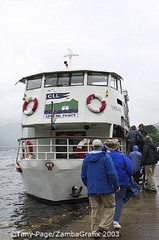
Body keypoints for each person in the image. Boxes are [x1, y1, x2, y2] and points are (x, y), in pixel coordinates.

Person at [81, 139, 120, 235]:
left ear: (92, 146)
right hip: (106, 188)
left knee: (95, 209)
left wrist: (89, 185)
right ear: (101, 146)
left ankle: (94, 231)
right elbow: (112, 174)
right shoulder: (106, 157)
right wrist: (116, 186)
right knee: (110, 206)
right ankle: (104, 226)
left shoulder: (86, 158)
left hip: (92, 188)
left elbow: (83, 175)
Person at [105, 139, 134, 229]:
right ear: (117, 147)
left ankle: (105, 221)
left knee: (107, 202)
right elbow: (130, 170)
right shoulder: (123, 156)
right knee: (118, 201)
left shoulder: (105, 156)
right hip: (122, 181)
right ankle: (115, 220)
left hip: (108, 182)